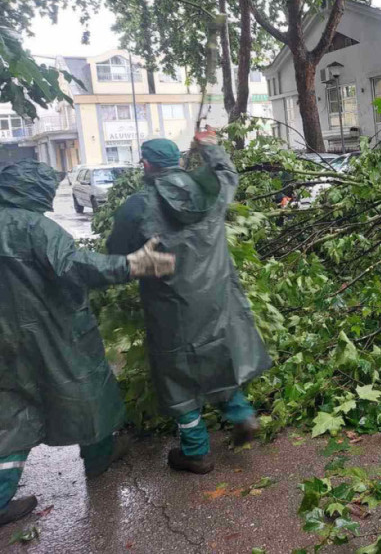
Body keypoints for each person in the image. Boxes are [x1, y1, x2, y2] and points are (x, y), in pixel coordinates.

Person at [0, 159, 175, 526]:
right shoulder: (36, 228)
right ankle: (98, 458)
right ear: (31, 188)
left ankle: (1, 496)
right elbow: (75, 266)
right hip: (52, 331)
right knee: (89, 391)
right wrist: (132, 265)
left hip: (8, 337)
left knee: (14, 409)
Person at [106, 132, 272, 475]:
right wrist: (209, 145)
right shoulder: (208, 190)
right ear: (179, 161)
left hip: (170, 306)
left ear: (146, 165)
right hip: (218, 297)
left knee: (177, 377)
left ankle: (195, 452)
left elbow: (117, 253)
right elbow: (227, 174)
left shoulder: (138, 205)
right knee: (217, 357)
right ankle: (242, 415)